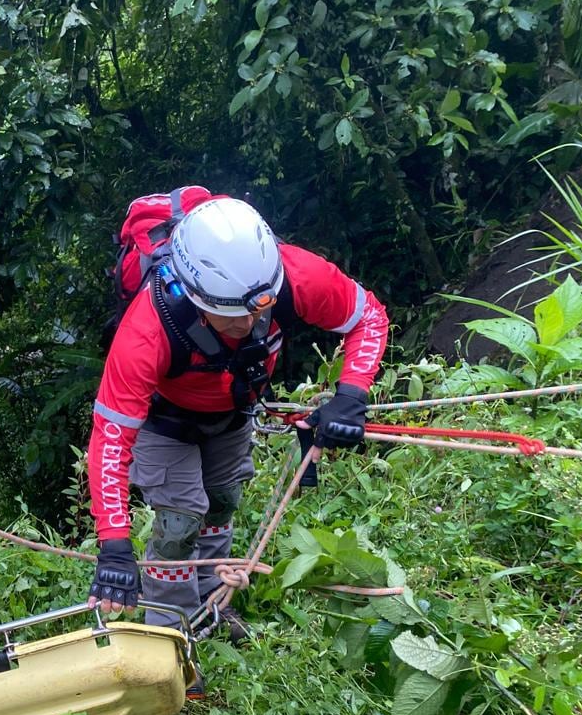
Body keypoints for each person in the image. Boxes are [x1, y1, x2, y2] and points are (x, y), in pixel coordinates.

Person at [86, 193, 389, 638]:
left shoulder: (293, 274)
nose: (246, 326)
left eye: (257, 312)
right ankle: (170, 633)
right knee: (179, 522)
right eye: (229, 317)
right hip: (164, 421)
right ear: (194, 295)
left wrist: (351, 395)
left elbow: (368, 317)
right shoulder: (146, 331)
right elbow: (111, 439)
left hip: (232, 410)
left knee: (222, 502)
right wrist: (114, 545)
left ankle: (212, 602)